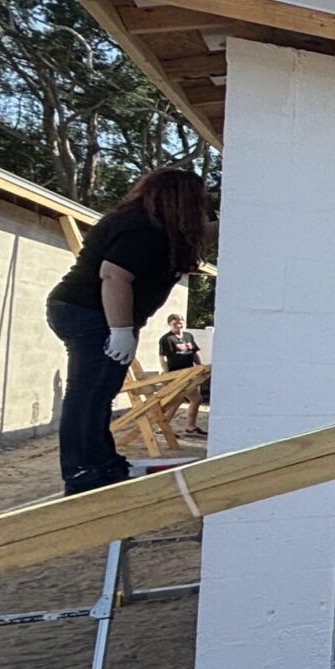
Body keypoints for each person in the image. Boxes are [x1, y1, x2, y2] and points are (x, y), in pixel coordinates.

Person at [45, 167, 209, 495]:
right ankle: (83, 470)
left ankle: (100, 462)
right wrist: (121, 330)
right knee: (90, 392)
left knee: (98, 391)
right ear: (181, 200)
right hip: (89, 313)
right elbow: (113, 277)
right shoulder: (141, 229)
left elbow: (204, 232)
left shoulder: (152, 225)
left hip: (85, 312)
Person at [157, 313, 207, 435]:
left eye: (180, 322)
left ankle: (190, 426)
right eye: (175, 323)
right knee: (176, 401)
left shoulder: (188, 336)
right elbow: (162, 358)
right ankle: (163, 427)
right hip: (176, 374)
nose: (178, 325)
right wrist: (167, 375)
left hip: (190, 373)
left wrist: (201, 367)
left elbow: (195, 352)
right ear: (170, 324)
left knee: (196, 399)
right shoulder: (167, 339)